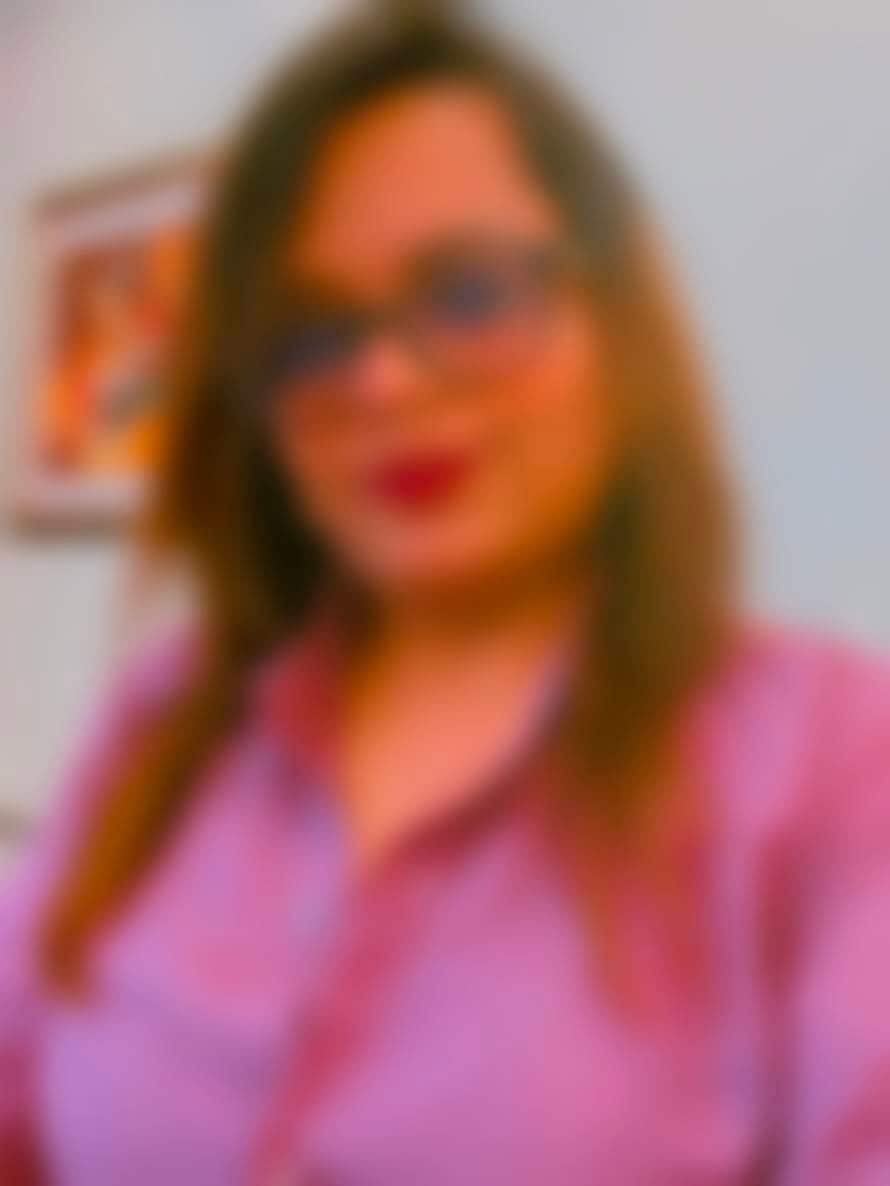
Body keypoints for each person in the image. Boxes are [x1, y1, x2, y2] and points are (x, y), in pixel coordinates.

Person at [3, 3, 890, 1184]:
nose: (380, 380)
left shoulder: (826, 755)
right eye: (309, 333)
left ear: (615, 315)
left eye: (467, 293)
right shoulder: (166, 714)